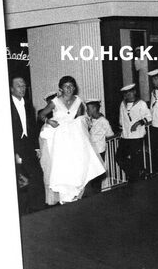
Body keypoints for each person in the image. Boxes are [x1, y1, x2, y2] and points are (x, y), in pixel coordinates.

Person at [38, 76, 106, 205]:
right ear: (61, 89)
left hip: (74, 136)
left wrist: (83, 123)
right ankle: (64, 195)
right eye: (66, 86)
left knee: (77, 163)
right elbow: (41, 115)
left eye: (71, 86)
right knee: (62, 164)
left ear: (74, 88)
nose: (69, 89)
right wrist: (49, 121)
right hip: (59, 136)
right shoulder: (55, 102)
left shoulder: (78, 101)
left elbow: (80, 119)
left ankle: (74, 192)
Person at [10, 76, 45, 213]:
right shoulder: (6, 105)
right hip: (15, 146)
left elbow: (33, 127)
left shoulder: (29, 105)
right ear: (11, 89)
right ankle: (22, 212)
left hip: (28, 145)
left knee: (36, 175)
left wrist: (36, 147)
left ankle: (38, 209)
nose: (22, 88)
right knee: (20, 178)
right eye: (19, 86)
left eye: (24, 86)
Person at [115, 84, 152, 182]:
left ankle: (136, 179)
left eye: (130, 92)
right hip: (125, 137)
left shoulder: (141, 104)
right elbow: (121, 119)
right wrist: (121, 130)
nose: (128, 94)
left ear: (134, 92)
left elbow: (149, 117)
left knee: (136, 159)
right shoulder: (122, 104)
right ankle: (135, 174)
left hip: (137, 137)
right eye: (126, 93)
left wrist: (138, 123)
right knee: (119, 157)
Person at [85, 99, 114, 194]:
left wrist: (101, 138)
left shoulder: (103, 121)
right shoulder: (91, 120)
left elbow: (110, 134)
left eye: (88, 109)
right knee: (92, 173)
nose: (87, 111)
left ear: (94, 108)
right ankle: (94, 193)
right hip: (92, 151)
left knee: (97, 174)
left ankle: (97, 193)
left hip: (99, 150)